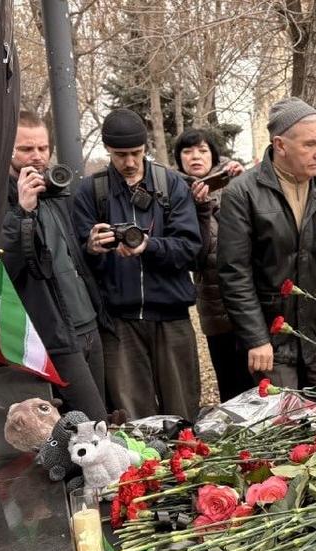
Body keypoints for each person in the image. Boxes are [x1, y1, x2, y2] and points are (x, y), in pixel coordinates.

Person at [217, 98, 316, 391]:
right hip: (272, 338)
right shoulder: (242, 193)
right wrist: (256, 338)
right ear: (280, 145)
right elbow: (233, 273)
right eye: (309, 145)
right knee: (286, 427)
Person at [73, 108, 202, 419]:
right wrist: (91, 247)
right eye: (120, 154)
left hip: (171, 316)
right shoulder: (92, 192)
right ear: (108, 150)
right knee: (135, 422)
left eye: (136, 153)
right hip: (119, 322)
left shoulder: (171, 185)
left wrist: (149, 246)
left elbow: (190, 249)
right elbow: (77, 262)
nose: (129, 162)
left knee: (183, 415)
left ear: (146, 148)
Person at [1, 111, 109, 421]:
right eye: (26, 149)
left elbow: (68, 258)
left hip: (88, 323)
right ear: (9, 149)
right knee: (92, 425)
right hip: (54, 336)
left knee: (95, 428)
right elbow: (5, 266)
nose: (36, 157)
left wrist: (92, 247)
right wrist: (22, 211)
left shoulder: (57, 194)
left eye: (42, 148)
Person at [173, 128, 249, 402]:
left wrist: (244, 181)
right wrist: (200, 208)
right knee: (229, 380)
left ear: (213, 155)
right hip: (214, 303)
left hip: (250, 299)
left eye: (203, 150)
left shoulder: (235, 182)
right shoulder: (176, 193)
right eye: (188, 151)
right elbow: (197, 257)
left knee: (259, 378)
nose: (195, 157)